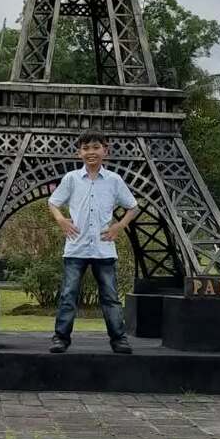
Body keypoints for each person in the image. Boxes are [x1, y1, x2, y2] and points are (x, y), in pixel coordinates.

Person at [46, 130, 140, 354]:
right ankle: (61, 338)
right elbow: (53, 202)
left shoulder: (114, 180)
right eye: (86, 148)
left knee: (110, 297)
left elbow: (133, 207)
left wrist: (119, 226)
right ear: (79, 153)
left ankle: (119, 339)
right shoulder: (71, 179)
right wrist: (61, 220)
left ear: (105, 151)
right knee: (68, 295)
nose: (91, 152)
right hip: (76, 247)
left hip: (103, 248)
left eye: (96, 147)